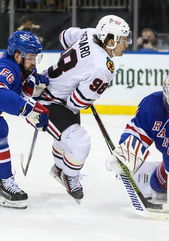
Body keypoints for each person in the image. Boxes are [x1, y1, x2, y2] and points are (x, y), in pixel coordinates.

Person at [39, 15, 131, 202]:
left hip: (42, 86)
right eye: (123, 40)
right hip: (47, 102)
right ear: (111, 41)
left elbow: (64, 36)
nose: (127, 44)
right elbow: (76, 103)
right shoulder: (104, 67)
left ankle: (59, 168)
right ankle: (69, 175)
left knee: (66, 137)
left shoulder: (89, 34)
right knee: (80, 141)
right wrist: (87, 95)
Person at [0, 31, 49, 209]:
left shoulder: (22, 68)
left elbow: (19, 93)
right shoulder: (7, 68)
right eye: (30, 57)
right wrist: (30, 111)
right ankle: (4, 181)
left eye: (36, 57)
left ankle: (3, 179)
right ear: (17, 55)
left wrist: (34, 84)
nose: (33, 62)